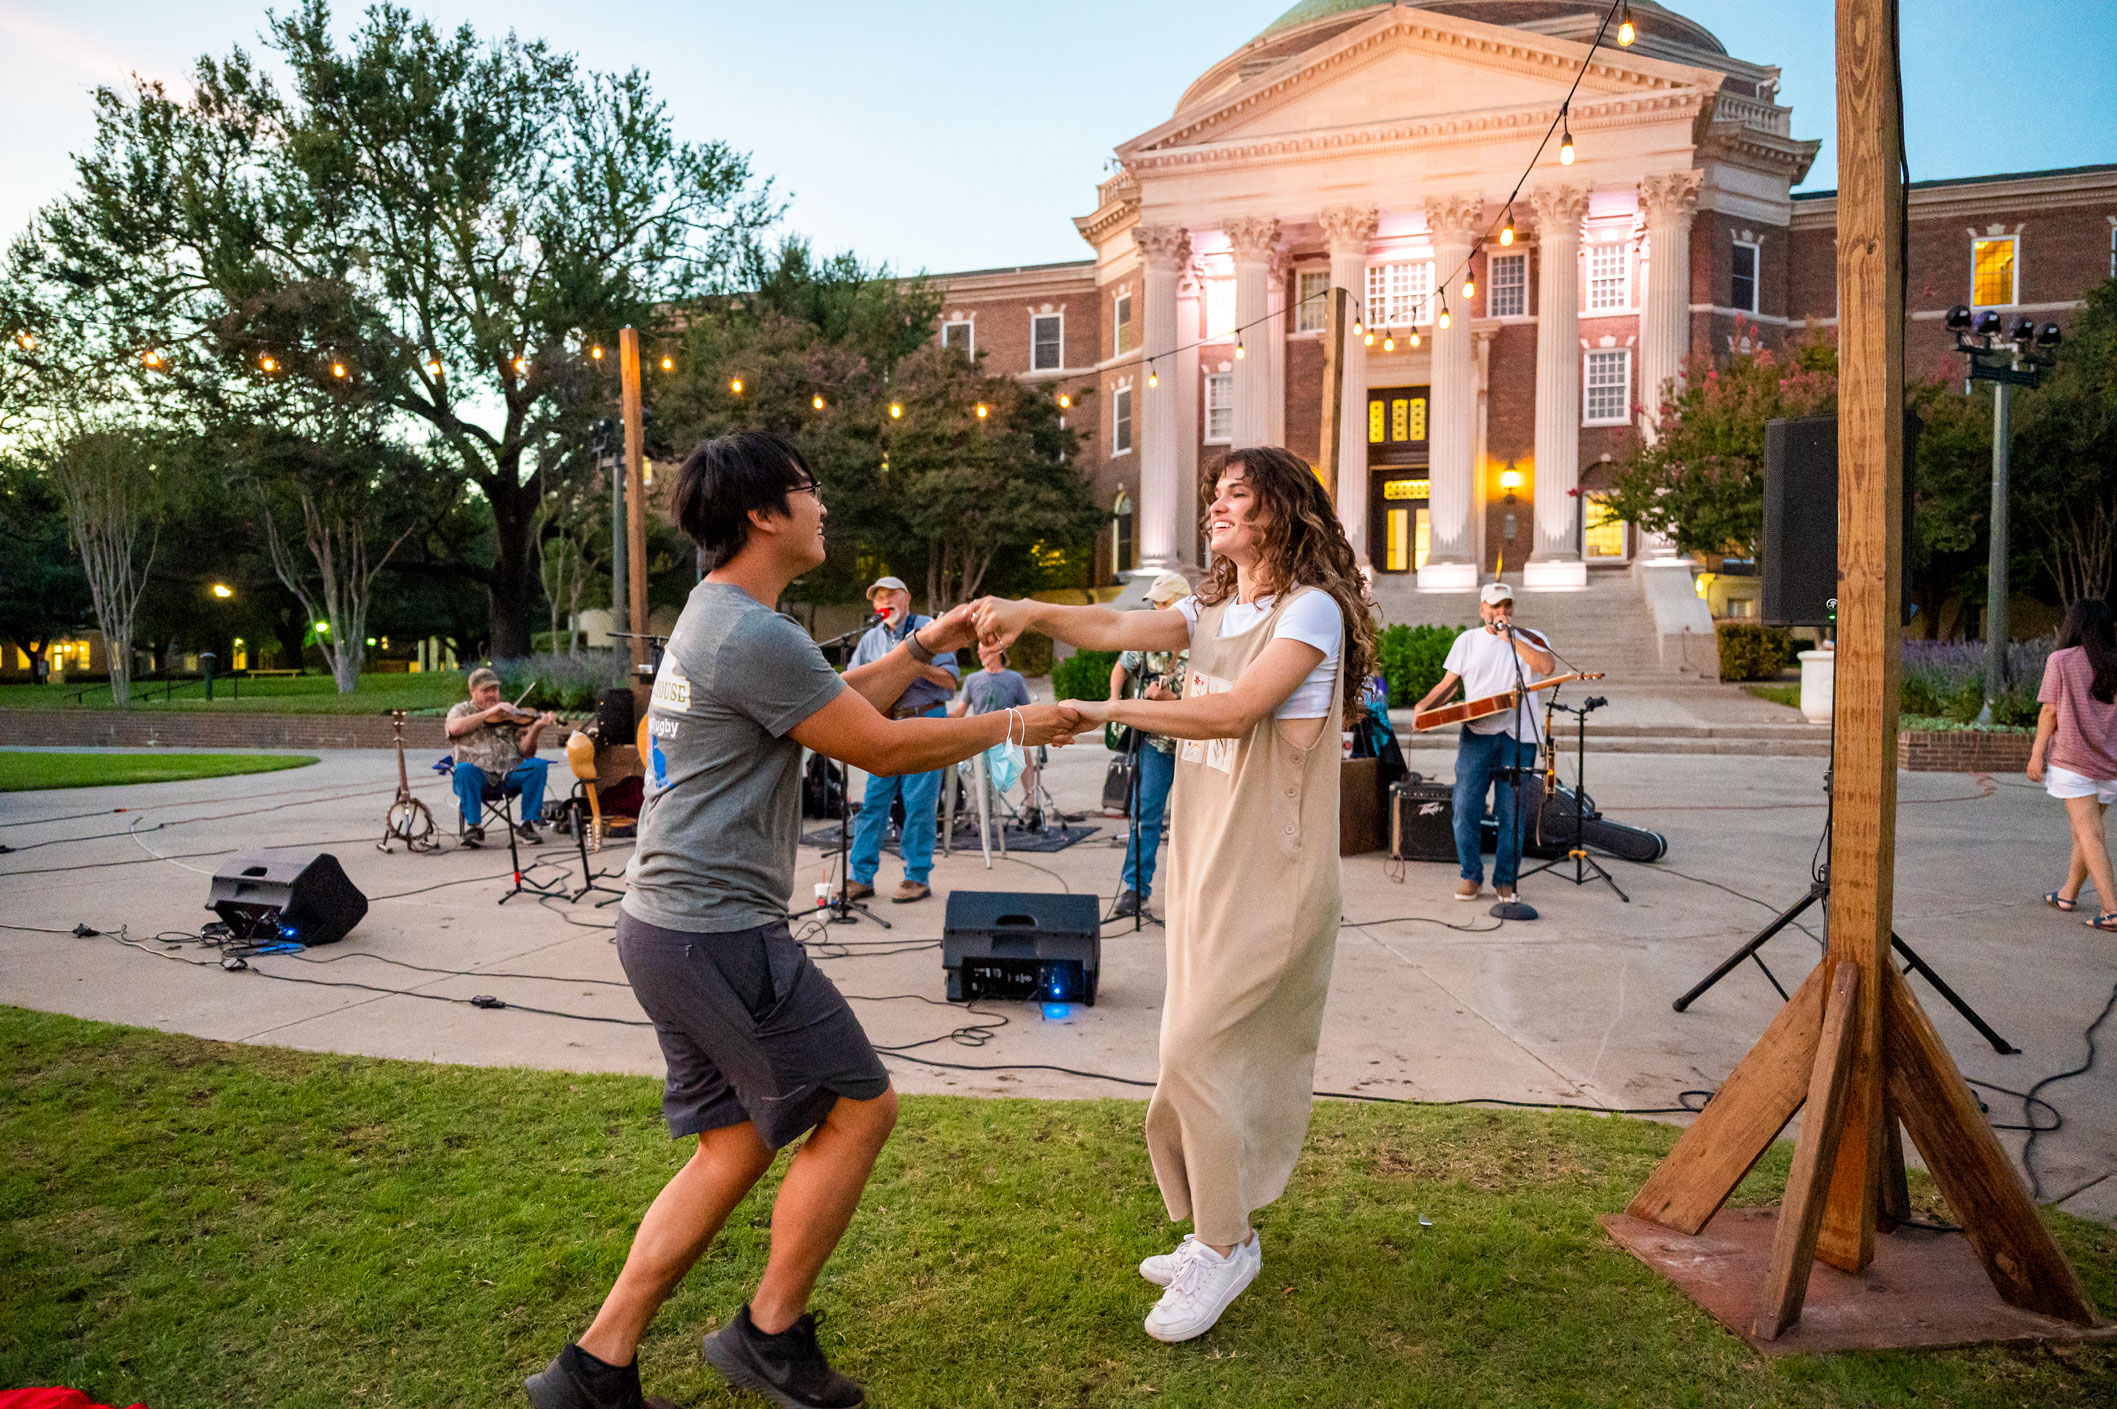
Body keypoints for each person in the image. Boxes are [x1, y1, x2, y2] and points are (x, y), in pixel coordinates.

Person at [526, 431, 1081, 1409]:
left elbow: (822, 702)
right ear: (762, 514)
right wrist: (1014, 720)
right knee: (862, 1104)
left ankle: (592, 1367)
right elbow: (878, 747)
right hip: (716, 932)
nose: (823, 507)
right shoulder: (749, 630)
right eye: (809, 490)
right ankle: (768, 1332)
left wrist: (921, 644)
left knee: (735, 1144)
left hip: (664, 926)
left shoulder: (721, 618)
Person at [973, 446, 1377, 1344]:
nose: (1218, 507)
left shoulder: (1308, 610)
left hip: (1272, 869)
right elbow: (1117, 631)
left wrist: (1104, 714)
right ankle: (1211, 1229)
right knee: (1182, 1054)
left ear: (1281, 510)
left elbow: (1234, 711)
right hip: (1202, 864)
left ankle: (1224, 1245)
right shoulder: (1215, 608)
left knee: (1201, 1047)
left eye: (1238, 494)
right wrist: (1031, 609)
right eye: (1214, 494)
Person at [1410, 583, 1556, 903]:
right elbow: (1449, 685)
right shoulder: (1467, 641)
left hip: (1518, 739)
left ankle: (1504, 880)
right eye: (1495, 607)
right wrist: (1424, 707)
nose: (1501, 612)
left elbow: (1547, 667)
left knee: (1511, 813)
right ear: (1482, 610)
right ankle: (1470, 876)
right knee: (1464, 808)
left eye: (1507, 607)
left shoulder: (1531, 637)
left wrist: (1512, 639)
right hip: (1477, 735)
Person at [845, 575, 962, 904]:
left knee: (919, 804)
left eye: (890, 594)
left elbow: (950, 681)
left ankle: (917, 876)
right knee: (872, 803)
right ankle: (861, 876)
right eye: (878, 597)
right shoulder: (870, 638)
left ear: (906, 597)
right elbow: (855, 685)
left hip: (925, 719)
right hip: (884, 724)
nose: (884, 601)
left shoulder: (927, 627)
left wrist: (911, 659)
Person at [1107, 570, 1192, 919]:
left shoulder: (1204, 637)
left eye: (1162, 603)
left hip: (1196, 740)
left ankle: (1198, 896)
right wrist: (1115, 704)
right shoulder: (1147, 636)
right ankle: (1134, 888)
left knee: (1203, 821)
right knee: (1145, 815)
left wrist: (1172, 698)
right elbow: (1121, 667)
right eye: (1155, 604)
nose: (1156, 609)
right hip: (1155, 740)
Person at [2030, 597, 2117, 933]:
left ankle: (2111, 909)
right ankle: (2068, 894)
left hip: (2074, 762)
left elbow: (2049, 711)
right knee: (2085, 832)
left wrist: (2036, 754)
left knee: (2089, 834)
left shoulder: (2061, 660)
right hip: (2110, 764)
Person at [444, 666, 556, 845]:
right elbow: (454, 728)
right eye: (485, 690)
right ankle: (475, 828)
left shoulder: (509, 713)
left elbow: (526, 751)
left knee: (538, 765)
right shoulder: (461, 710)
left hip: (509, 776)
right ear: (473, 692)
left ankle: (527, 824)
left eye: (494, 689)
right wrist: (489, 713)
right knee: (464, 769)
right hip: (478, 779)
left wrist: (536, 728)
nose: (491, 694)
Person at [948, 639, 1043, 823]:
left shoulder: (1014, 679)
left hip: (1006, 735)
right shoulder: (972, 679)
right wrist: (939, 719)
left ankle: (1031, 804)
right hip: (981, 735)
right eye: (979, 651)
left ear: (998, 652)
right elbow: (960, 711)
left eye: (985, 651)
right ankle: (972, 807)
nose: (981, 655)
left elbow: (1026, 710)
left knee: (1024, 752)